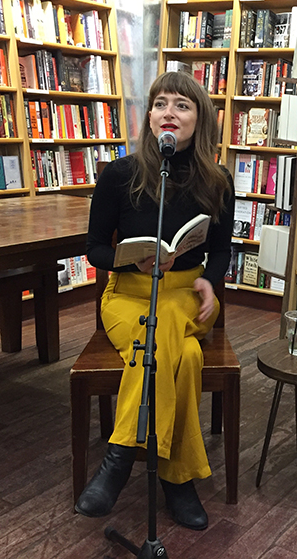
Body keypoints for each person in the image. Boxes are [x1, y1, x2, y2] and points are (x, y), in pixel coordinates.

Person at [77, 71, 234, 531]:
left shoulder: (218, 178)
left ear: (198, 119)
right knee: (180, 352)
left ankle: (120, 455)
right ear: (149, 117)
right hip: (127, 296)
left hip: (189, 295)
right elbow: (94, 249)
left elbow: (222, 248)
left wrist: (211, 279)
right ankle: (176, 479)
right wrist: (133, 264)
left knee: (167, 326)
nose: (170, 112)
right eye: (161, 103)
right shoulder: (119, 174)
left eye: (182, 105)